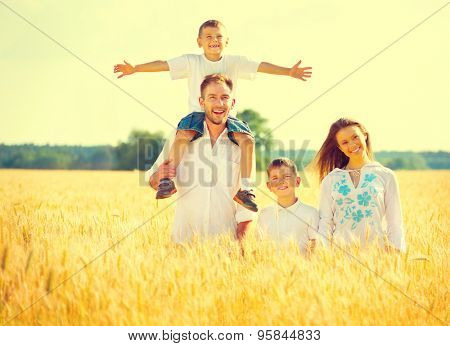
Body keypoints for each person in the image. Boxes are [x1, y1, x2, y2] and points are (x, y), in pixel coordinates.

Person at [114, 19, 313, 212]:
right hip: (197, 114)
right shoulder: (192, 61)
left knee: (247, 140)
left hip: (227, 117)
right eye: (208, 36)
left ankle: (245, 189)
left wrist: (288, 72)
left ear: (227, 41)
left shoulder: (235, 62)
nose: (214, 39)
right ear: (199, 41)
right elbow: (163, 64)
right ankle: (167, 181)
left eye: (219, 36)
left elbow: (261, 66)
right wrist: (135, 69)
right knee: (182, 136)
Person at [145, 74, 255, 243]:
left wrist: (238, 248)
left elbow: (246, 210)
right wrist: (160, 175)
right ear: (202, 102)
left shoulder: (241, 143)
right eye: (212, 97)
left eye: (224, 98)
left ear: (232, 103)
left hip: (224, 245)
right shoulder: (181, 134)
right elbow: (152, 182)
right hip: (183, 243)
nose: (219, 104)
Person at [314, 118, 406, 252]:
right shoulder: (331, 180)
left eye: (355, 137)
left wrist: (397, 255)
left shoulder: (386, 176)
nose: (351, 145)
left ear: (365, 135)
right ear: (339, 147)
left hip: (377, 256)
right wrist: (324, 257)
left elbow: (395, 222)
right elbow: (325, 223)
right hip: (340, 259)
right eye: (344, 142)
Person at [257, 158, 318, 256]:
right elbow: (259, 248)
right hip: (270, 269)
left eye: (287, 176)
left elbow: (315, 248)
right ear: (269, 186)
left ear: (297, 181)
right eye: (275, 178)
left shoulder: (310, 213)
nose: (281, 181)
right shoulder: (265, 214)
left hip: (302, 269)